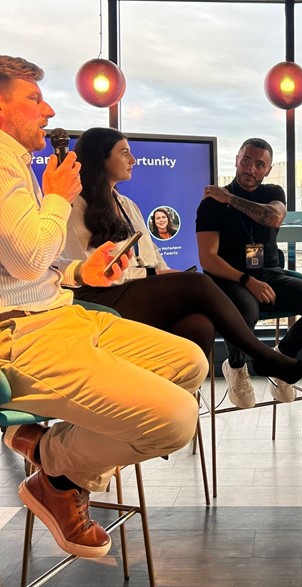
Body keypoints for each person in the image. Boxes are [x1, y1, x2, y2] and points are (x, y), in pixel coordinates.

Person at [0, 56, 206, 558]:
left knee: (191, 363)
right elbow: (27, 260)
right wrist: (56, 196)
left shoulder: (16, 164)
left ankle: (58, 465)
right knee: (177, 421)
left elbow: (20, 268)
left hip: (60, 311)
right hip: (20, 335)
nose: (48, 110)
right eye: (33, 99)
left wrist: (79, 272)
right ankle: (55, 464)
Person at [64, 127, 302, 383]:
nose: (133, 160)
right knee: (200, 282)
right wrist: (154, 274)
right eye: (125, 153)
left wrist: (164, 273)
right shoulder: (75, 206)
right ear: (101, 157)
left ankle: (178, 402)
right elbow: (86, 271)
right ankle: (267, 358)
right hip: (101, 297)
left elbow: (151, 255)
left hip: (139, 287)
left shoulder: (125, 204)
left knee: (200, 325)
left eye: (260, 164)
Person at [196, 138, 302, 408]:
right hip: (228, 278)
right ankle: (235, 366)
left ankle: (281, 357)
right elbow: (208, 259)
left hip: (268, 273)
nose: (251, 168)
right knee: (246, 313)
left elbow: (273, 217)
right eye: (246, 160)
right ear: (237, 159)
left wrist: (231, 199)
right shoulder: (212, 203)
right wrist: (246, 280)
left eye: (260, 164)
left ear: (268, 170)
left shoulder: (273, 191)